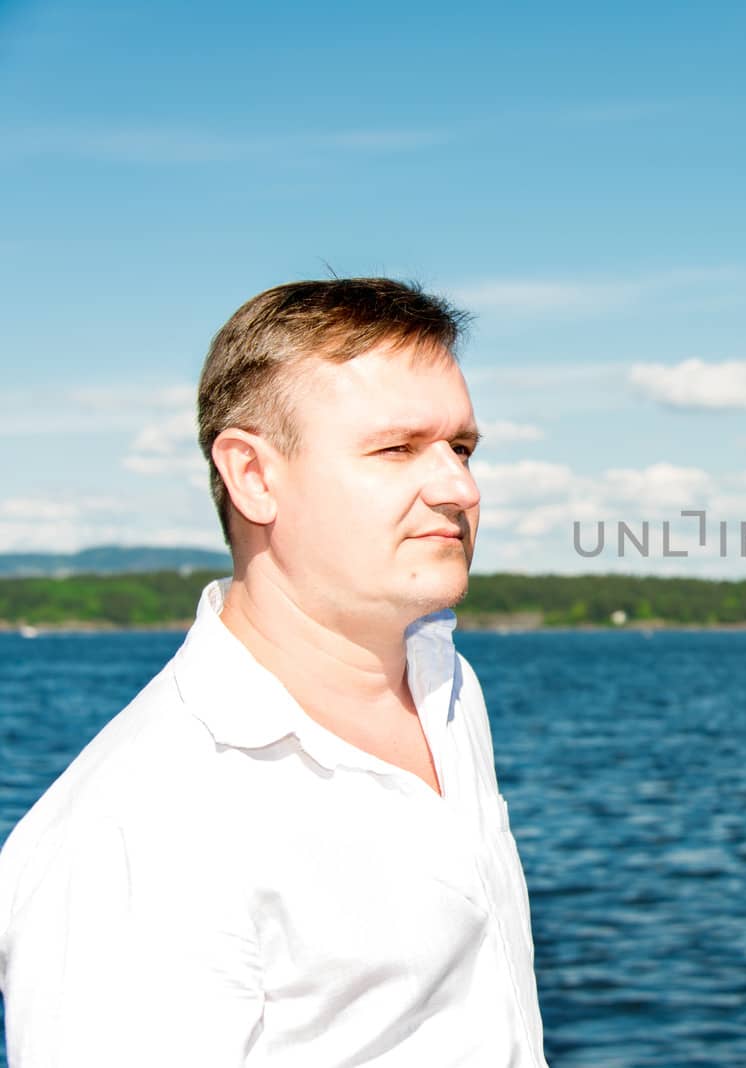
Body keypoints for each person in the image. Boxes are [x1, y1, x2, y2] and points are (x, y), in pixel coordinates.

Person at [0, 279, 548, 1065]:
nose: (460, 488)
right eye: (397, 449)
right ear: (253, 476)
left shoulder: (444, 685)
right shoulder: (136, 829)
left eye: (461, 447)